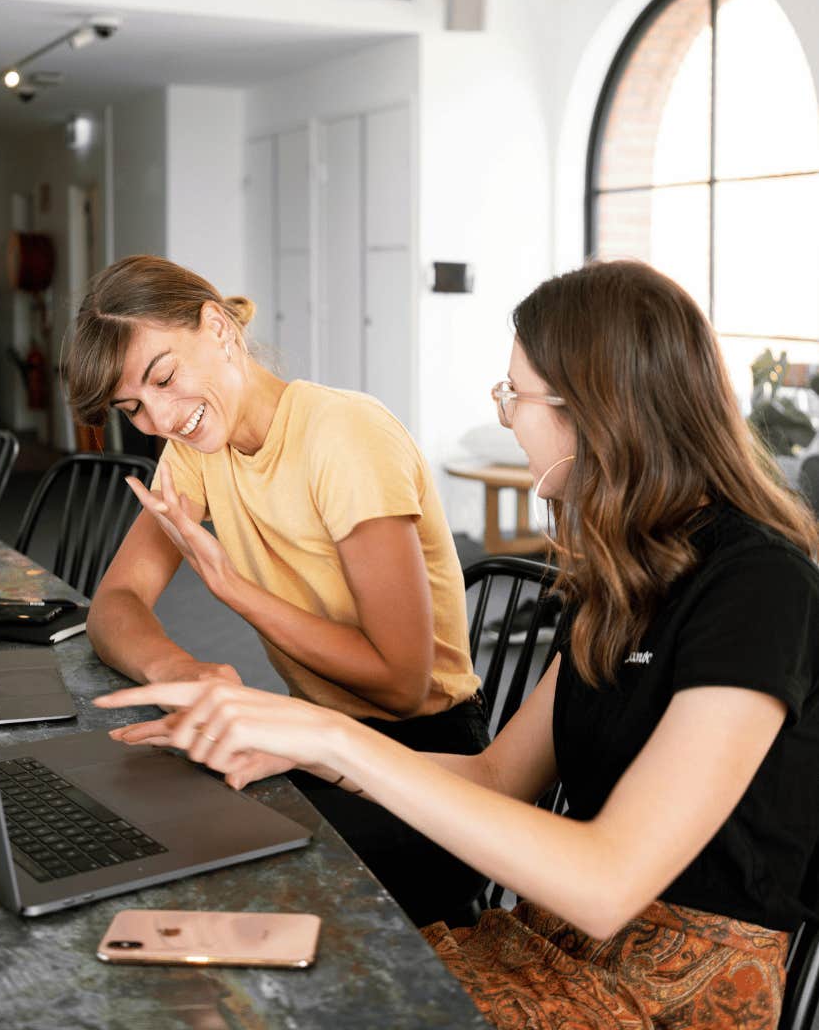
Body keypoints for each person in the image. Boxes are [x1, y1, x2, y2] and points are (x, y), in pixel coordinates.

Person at [97, 259, 819, 1030]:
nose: (506, 417)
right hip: (554, 945)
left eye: (514, 395)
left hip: (668, 992)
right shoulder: (631, 574)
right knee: (220, 979)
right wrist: (299, 748)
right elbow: (499, 776)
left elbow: (608, 883)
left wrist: (325, 732)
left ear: (592, 412)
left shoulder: (760, 585)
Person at [63, 254, 489, 926]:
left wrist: (233, 588)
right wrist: (186, 669)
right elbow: (116, 605)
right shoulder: (200, 447)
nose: (161, 420)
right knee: (147, 813)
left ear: (218, 329)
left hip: (428, 771)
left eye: (165, 378)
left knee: (210, 868)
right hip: (315, 741)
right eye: (133, 407)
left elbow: (403, 683)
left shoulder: (343, 434)